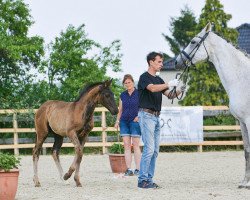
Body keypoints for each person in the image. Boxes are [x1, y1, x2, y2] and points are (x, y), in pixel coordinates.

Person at [137, 52, 184, 189]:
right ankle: (142, 180)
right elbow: (151, 89)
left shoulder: (159, 79)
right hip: (146, 116)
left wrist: (180, 89)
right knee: (149, 149)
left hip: (156, 117)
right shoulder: (144, 78)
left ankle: (148, 180)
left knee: (155, 151)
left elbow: (170, 95)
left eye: (162, 62)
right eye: (159, 62)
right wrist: (168, 83)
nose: (161, 64)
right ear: (151, 62)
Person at [114, 74, 141, 176]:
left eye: (129, 82)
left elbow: (142, 107)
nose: (127, 84)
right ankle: (129, 169)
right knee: (126, 145)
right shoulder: (122, 95)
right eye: (125, 83)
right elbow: (120, 110)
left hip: (135, 121)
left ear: (133, 82)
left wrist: (139, 116)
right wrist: (117, 121)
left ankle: (138, 169)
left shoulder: (139, 93)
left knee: (136, 145)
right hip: (124, 121)